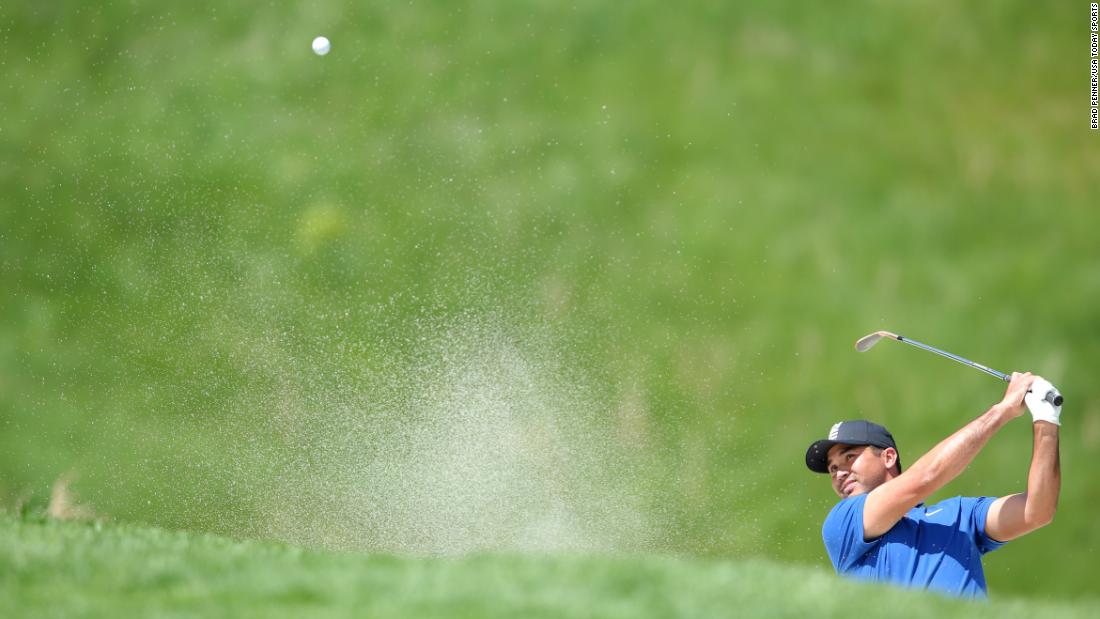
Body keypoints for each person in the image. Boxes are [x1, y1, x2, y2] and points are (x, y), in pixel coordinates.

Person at [804, 372, 1061, 598]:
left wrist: (1046, 419)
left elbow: (1037, 511)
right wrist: (1002, 410)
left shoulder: (960, 516)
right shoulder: (844, 522)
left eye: (850, 457)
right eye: (833, 468)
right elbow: (926, 477)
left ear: (888, 457)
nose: (839, 473)